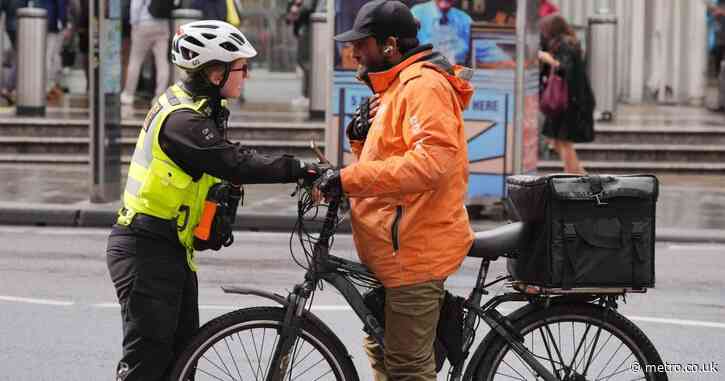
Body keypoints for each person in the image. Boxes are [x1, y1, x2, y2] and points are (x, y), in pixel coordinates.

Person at [106, 20, 323, 381]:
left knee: (182, 363)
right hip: (145, 252)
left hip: (170, 250)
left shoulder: (199, 110)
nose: (247, 76)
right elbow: (233, 161)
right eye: (242, 67)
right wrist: (299, 170)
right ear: (215, 72)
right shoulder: (183, 120)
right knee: (147, 364)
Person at [318, 1, 475, 379]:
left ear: (390, 45)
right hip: (394, 250)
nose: (355, 51)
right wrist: (359, 139)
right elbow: (388, 154)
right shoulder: (396, 86)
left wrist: (347, 179)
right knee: (382, 349)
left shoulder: (423, 87)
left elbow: (428, 165)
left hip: (415, 251)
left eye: (363, 43)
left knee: (407, 366)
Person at [538, 15, 595, 174]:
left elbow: (564, 69)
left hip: (568, 101)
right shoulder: (566, 42)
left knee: (563, 141)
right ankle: (580, 173)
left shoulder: (566, 44)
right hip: (567, 100)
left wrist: (548, 59)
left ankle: (573, 175)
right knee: (556, 140)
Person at [120, 0, 172, 106]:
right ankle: (159, 95)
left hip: (143, 24)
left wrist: (133, 24)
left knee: (135, 60)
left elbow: (136, 7)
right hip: (163, 24)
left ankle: (128, 95)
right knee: (162, 62)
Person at [411, 0, 472, 65]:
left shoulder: (465, 19)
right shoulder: (416, 13)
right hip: (423, 69)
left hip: (457, 70)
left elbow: (480, 57)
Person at [37, 0, 70, 103]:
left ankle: (46, 84)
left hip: (40, 19)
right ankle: (49, 85)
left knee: (46, 55)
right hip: (53, 23)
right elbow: (61, 5)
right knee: (51, 55)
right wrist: (64, 23)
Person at [0, 0, 28, 104]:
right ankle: (8, 88)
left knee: (18, 55)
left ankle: (10, 88)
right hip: (24, 23)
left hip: (10, 25)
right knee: (22, 58)